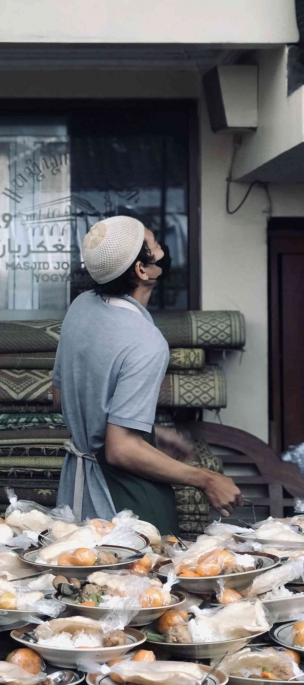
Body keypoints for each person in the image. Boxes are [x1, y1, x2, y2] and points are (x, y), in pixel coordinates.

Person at [53, 215, 242, 530]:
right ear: (142, 270)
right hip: (125, 507)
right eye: (155, 245)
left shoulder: (80, 307)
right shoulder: (146, 341)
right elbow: (119, 449)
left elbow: (62, 400)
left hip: (76, 492)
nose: (163, 249)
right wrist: (206, 479)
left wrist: (150, 435)